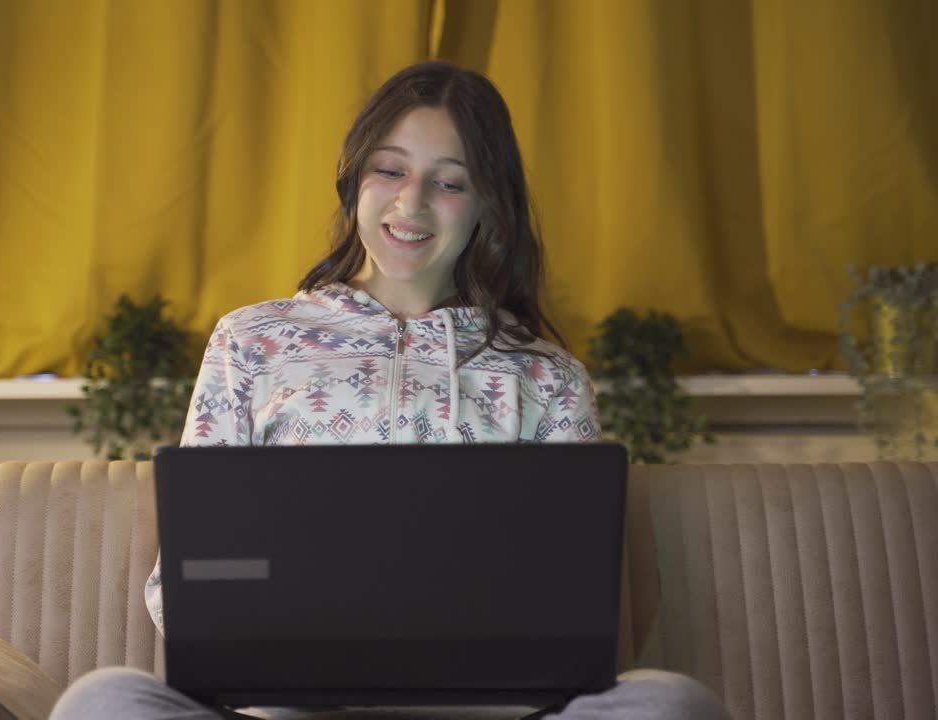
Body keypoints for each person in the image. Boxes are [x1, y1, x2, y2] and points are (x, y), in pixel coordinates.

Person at [51, 61, 729, 720]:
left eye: (450, 182)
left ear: (489, 204)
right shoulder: (249, 342)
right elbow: (186, 582)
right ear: (354, 180)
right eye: (391, 169)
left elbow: (577, 600)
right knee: (102, 701)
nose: (411, 204)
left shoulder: (546, 378)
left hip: (491, 713)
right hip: (285, 712)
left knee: (672, 703)